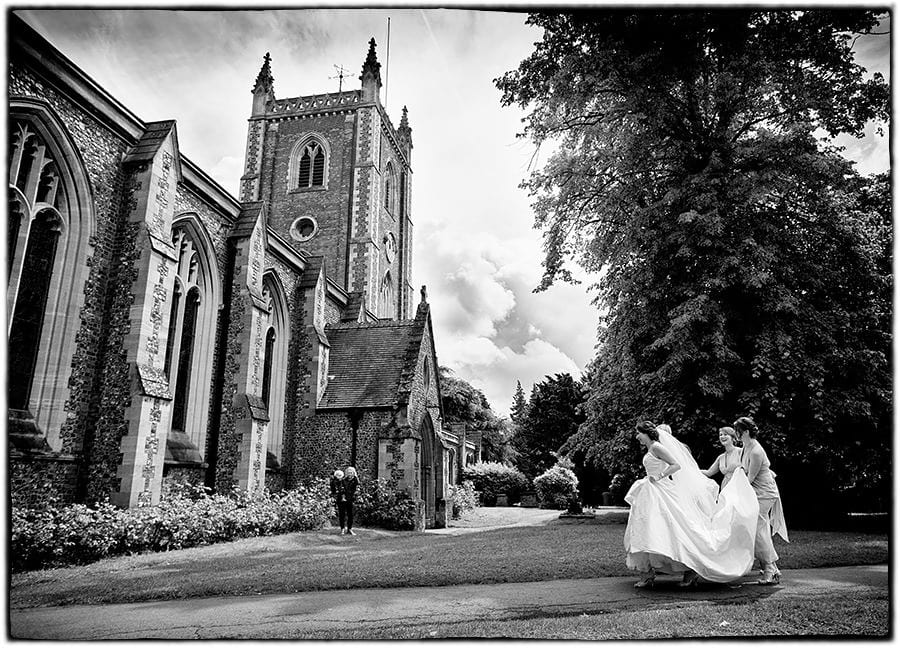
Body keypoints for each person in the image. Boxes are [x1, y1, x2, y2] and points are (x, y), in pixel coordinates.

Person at [624, 420, 759, 589]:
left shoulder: (657, 447)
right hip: (650, 492)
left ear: (646, 433)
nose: (637, 437)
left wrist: (659, 476)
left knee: (675, 530)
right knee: (647, 528)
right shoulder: (651, 448)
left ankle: (689, 570)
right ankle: (647, 573)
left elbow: (676, 465)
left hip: (660, 489)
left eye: (639, 433)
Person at [734, 416, 788, 585]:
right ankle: (772, 568)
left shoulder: (756, 451)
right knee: (757, 529)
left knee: (758, 529)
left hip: (765, 493)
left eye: (738, 432)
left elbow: (749, 479)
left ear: (747, 432)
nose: (736, 434)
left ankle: (771, 569)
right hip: (754, 492)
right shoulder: (745, 447)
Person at [702, 427, 743, 491]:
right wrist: (691, 468)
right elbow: (709, 472)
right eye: (720, 435)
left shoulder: (740, 452)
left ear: (732, 437)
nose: (722, 436)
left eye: (725, 434)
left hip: (739, 487)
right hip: (725, 489)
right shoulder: (720, 457)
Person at [342, 466, 360, 536]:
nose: (350, 474)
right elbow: (342, 489)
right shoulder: (344, 480)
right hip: (345, 499)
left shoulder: (356, 480)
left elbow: (358, 489)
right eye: (348, 472)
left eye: (351, 472)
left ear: (353, 473)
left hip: (352, 499)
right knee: (343, 514)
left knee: (351, 515)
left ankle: (350, 529)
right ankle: (343, 529)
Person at [330, 469, 346, 533]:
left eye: (340, 475)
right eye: (337, 475)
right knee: (341, 514)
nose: (339, 476)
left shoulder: (344, 481)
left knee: (345, 514)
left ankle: (346, 528)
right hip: (338, 499)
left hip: (345, 499)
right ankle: (342, 528)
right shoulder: (333, 482)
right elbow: (333, 491)